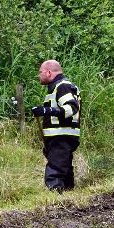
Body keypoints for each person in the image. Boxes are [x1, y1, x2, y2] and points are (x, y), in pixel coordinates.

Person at [31, 59, 81, 192]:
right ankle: (68, 193)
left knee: (56, 168)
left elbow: (71, 108)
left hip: (61, 135)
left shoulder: (62, 86)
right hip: (62, 135)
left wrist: (46, 111)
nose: (39, 75)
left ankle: (55, 195)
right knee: (64, 167)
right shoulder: (58, 87)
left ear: (48, 72)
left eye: (40, 72)